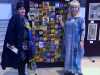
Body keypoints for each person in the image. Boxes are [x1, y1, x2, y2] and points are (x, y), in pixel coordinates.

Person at [1, 1, 33, 75]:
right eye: (21, 9)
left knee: (24, 65)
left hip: (26, 47)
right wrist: (16, 50)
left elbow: (29, 30)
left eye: (24, 9)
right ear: (17, 10)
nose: (23, 10)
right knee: (21, 66)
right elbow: (9, 37)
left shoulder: (25, 19)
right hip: (19, 48)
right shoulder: (14, 18)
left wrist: (30, 21)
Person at [64, 0, 85, 75]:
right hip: (68, 42)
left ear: (78, 8)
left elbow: (83, 30)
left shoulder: (81, 19)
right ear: (70, 8)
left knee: (77, 56)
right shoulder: (68, 19)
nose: (74, 9)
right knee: (68, 56)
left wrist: (82, 41)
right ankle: (69, 70)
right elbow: (65, 29)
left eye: (75, 7)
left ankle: (77, 71)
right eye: (72, 7)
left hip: (76, 41)